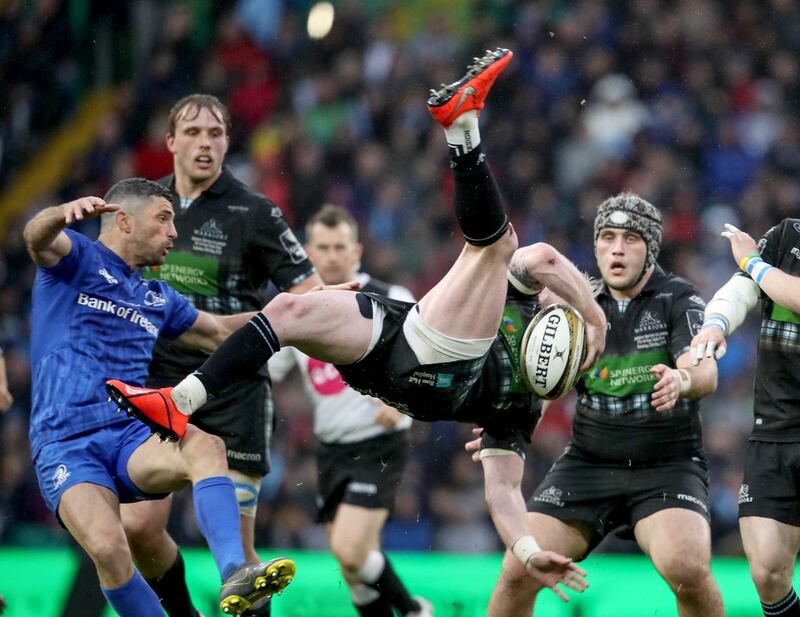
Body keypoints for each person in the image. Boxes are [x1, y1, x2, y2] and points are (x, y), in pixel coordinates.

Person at [108, 47, 606, 602]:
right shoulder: (525, 314)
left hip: (432, 373)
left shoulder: (520, 407)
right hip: (394, 343)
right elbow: (544, 263)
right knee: (289, 310)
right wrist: (594, 312)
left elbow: (504, 492)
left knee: (499, 244)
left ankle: (462, 130)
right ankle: (180, 398)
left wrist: (529, 552)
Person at [23, 179, 295, 617]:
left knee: (206, 446)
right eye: (163, 219)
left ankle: (235, 572)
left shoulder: (156, 296)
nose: (173, 233)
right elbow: (35, 237)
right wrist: (60, 213)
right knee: (109, 549)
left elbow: (219, 332)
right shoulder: (77, 260)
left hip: (131, 437)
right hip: (67, 443)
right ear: (123, 220)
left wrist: (293, 315)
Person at [470, 193, 724, 616]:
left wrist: (681, 379)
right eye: (607, 237)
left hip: (666, 466)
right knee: (518, 569)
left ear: (651, 249)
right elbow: (546, 385)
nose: (617, 249)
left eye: (630, 239)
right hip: (588, 463)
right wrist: (510, 428)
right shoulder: (576, 306)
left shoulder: (679, 299)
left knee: (687, 569)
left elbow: (705, 372)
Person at [120, 94, 322, 617]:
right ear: (170, 141)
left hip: (234, 391)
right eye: (192, 132)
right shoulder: (141, 208)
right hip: (158, 387)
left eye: (215, 133)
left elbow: (310, 293)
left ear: (229, 142)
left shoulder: (255, 212)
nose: (204, 143)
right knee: (138, 527)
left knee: (239, 557)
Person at [269, 204, 432, 617]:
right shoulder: (296, 307)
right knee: (352, 567)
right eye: (322, 247)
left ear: (357, 250)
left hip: (378, 444)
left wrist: (403, 406)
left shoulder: (391, 298)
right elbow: (267, 368)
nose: (331, 256)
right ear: (308, 251)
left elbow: (428, 363)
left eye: (339, 246)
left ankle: (414, 610)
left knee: (351, 550)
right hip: (331, 449)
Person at [691, 220, 800, 617]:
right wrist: (715, 324)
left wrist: (752, 260)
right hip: (774, 429)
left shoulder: (761, 259)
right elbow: (740, 289)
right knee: (767, 571)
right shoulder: (788, 235)